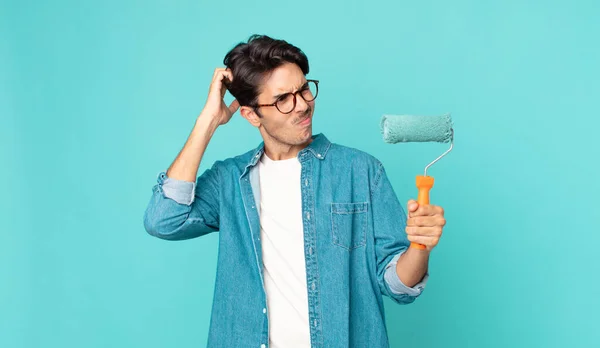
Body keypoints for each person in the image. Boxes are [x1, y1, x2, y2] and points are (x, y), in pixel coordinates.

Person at [143, 34, 446, 348]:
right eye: (283, 99)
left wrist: (419, 247)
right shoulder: (230, 180)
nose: (302, 105)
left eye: (303, 89)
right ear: (250, 114)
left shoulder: (360, 171)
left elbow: (397, 285)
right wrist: (208, 121)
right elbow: (163, 220)